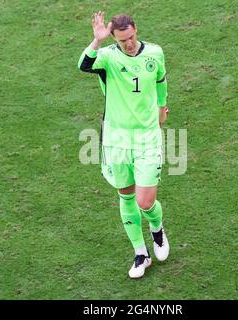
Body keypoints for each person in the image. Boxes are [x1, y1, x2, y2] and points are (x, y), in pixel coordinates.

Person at [78, 11, 170, 278]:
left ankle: (157, 229)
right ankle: (141, 253)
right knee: (126, 195)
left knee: (145, 201)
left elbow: (161, 80)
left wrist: (162, 107)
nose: (128, 44)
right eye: (121, 41)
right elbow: (83, 65)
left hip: (147, 138)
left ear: (136, 30)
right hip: (117, 140)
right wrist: (96, 42)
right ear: (115, 40)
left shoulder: (155, 53)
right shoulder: (107, 57)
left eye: (130, 38)